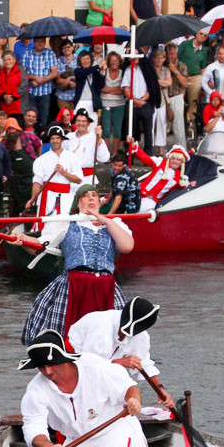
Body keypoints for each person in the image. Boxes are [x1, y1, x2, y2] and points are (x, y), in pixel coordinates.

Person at [18, 329, 154, 447]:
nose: (48, 371)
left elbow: (128, 387)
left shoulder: (94, 366)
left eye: (52, 364)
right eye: (42, 367)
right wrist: (49, 446)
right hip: (76, 441)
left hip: (113, 433)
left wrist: (133, 400)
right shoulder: (36, 389)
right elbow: (33, 426)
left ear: (63, 358)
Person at [19, 184, 132, 345]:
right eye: (85, 195)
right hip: (75, 283)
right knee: (68, 335)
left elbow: (127, 246)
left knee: (109, 336)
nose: (91, 198)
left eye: (94, 195)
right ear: (78, 203)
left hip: (106, 285)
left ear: (100, 202)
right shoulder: (66, 222)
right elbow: (39, 246)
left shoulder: (115, 224)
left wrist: (106, 221)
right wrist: (21, 238)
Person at [67, 297, 171, 399]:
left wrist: (160, 389)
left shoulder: (141, 335)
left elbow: (143, 363)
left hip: (100, 369)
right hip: (71, 360)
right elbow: (90, 364)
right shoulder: (101, 326)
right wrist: (120, 362)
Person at [26, 123, 83, 228]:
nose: (55, 140)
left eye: (57, 138)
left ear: (62, 139)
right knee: (46, 224)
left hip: (66, 196)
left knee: (65, 225)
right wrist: (32, 199)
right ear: (50, 140)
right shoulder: (41, 159)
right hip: (47, 197)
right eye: (53, 138)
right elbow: (37, 182)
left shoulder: (72, 157)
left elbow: (79, 180)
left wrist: (63, 172)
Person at [128, 139, 192, 211]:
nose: (175, 161)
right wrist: (134, 146)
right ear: (169, 159)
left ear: (181, 163)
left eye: (178, 160)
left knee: (141, 209)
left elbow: (187, 188)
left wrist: (191, 184)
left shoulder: (181, 177)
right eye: (173, 158)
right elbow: (146, 158)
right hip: (139, 192)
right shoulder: (160, 162)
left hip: (151, 203)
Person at [121, 48, 161, 156]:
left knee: (148, 132)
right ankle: (130, 154)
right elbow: (125, 89)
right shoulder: (128, 70)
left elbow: (151, 87)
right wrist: (134, 100)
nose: (135, 57)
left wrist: (142, 100)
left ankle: (148, 155)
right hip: (132, 104)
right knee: (130, 131)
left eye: (137, 54)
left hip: (146, 103)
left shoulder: (148, 69)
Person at [65, 109, 109, 186]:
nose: (81, 123)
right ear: (74, 122)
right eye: (78, 120)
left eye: (84, 121)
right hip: (70, 178)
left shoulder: (95, 138)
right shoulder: (68, 137)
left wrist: (99, 139)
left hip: (87, 179)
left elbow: (104, 158)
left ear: (88, 123)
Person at [22, 37, 58, 127]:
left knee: (44, 119)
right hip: (31, 92)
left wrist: (40, 81)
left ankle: (41, 139)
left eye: (42, 41)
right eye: (38, 41)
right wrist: (34, 78)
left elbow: (54, 73)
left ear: (45, 42)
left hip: (45, 92)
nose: (40, 43)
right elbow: (22, 74)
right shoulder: (27, 53)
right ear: (34, 42)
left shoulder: (50, 53)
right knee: (30, 118)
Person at [101, 52, 126, 156]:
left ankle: (114, 153)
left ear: (119, 61)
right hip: (105, 104)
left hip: (119, 105)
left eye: (116, 60)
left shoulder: (122, 73)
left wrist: (108, 90)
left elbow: (123, 90)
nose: (114, 63)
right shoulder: (104, 71)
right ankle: (107, 154)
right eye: (112, 60)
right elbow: (101, 88)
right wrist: (115, 90)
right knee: (106, 130)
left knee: (117, 131)